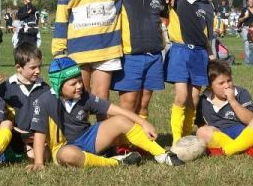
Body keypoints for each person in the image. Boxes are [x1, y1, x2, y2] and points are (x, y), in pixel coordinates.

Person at [27, 57, 184, 170]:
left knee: (121, 120)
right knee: (68, 155)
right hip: (64, 148)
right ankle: (116, 163)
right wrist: (39, 163)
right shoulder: (44, 101)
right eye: (73, 84)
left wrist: (143, 122)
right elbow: (40, 134)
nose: (79, 86)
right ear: (58, 85)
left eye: (80, 81)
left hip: (89, 138)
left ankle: (162, 155)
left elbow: (115, 110)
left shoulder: (84, 96)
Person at [51, 0, 133, 105]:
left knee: (101, 99)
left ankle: (102, 132)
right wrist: (59, 52)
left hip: (106, 50)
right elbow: (61, 20)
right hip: (78, 52)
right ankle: (82, 131)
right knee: (81, 98)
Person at [111, 0, 170, 121]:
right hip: (131, 56)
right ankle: (122, 142)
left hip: (154, 56)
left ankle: (140, 139)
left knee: (144, 102)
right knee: (129, 102)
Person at [165, 0, 215, 145]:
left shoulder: (207, 5)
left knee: (194, 98)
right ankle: (177, 139)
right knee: (182, 95)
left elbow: (207, 36)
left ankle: (187, 136)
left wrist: (211, 56)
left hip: (200, 54)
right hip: (179, 51)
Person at [196, 60, 253, 157]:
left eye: (229, 80)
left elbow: (250, 119)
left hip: (247, 135)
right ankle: (245, 151)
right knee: (201, 132)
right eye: (221, 83)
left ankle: (226, 151)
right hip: (221, 137)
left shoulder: (241, 93)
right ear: (209, 86)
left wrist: (233, 101)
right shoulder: (203, 99)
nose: (227, 85)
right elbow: (200, 124)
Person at [0, 43, 50, 163]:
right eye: (33, 68)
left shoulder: (45, 88)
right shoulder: (6, 88)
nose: (37, 71)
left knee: (44, 157)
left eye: (39, 67)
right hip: (14, 136)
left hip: (39, 136)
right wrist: (20, 133)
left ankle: (31, 150)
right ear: (19, 67)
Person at [238, 0, 253, 65]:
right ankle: (247, 63)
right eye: (249, 2)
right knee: (247, 45)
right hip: (246, 29)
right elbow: (239, 20)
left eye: (252, 1)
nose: (250, 3)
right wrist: (245, 17)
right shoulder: (244, 9)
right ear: (247, 2)